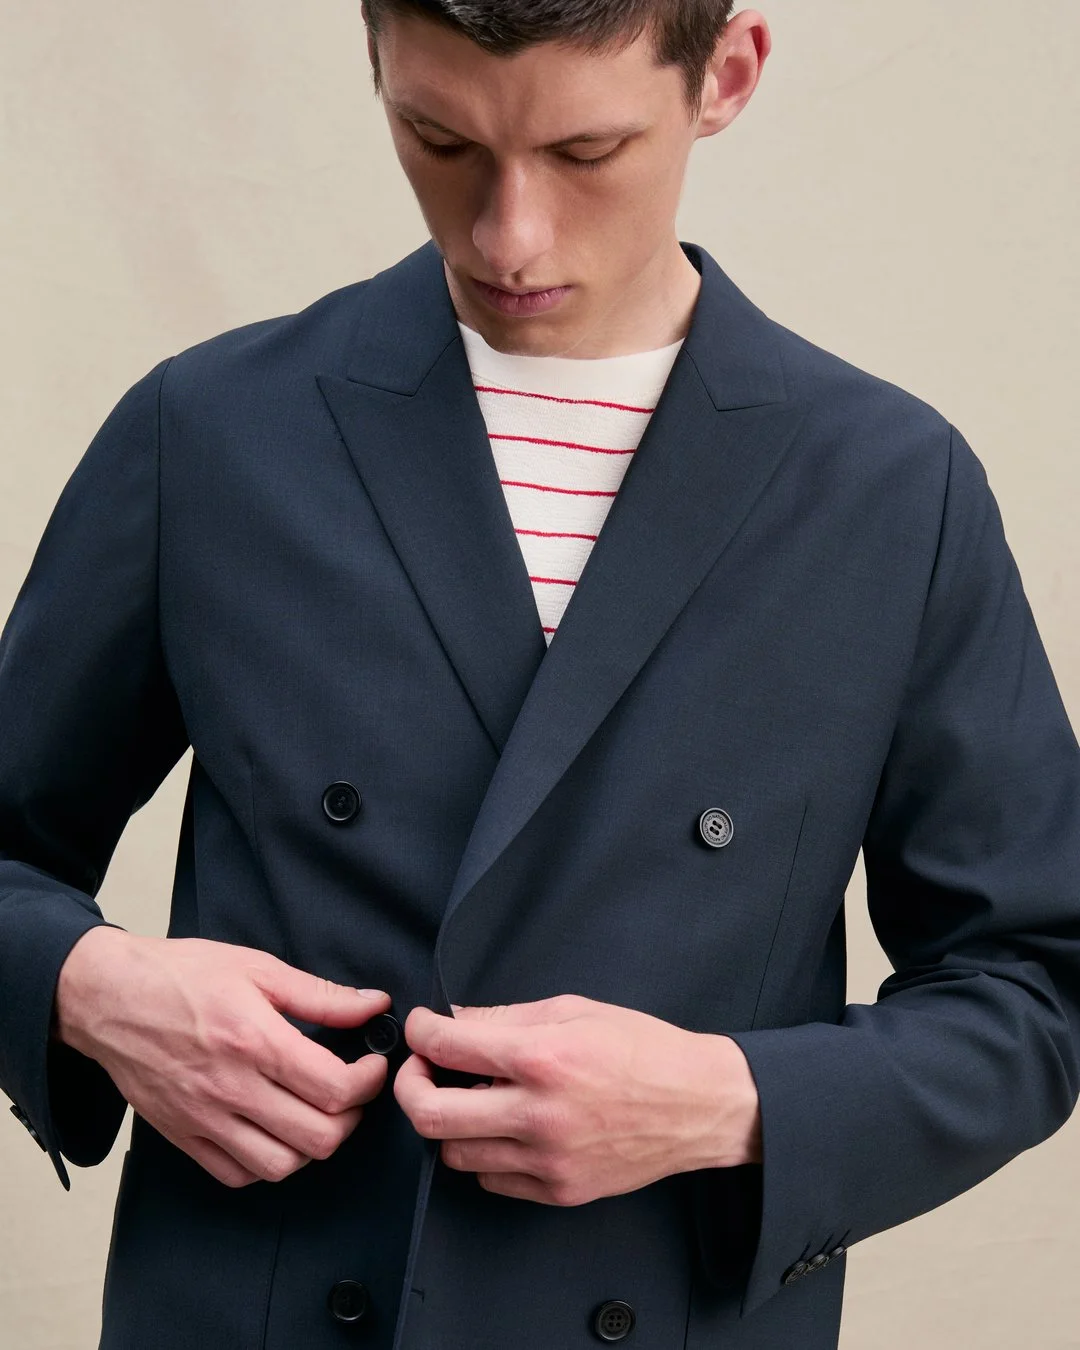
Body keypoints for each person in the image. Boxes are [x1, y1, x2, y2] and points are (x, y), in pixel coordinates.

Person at [1, 3, 1078, 1348]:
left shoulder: (890, 492)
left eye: (586, 152)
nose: (507, 237)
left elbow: (1034, 983)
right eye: (440, 139)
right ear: (378, 61)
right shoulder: (210, 433)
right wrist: (89, 988)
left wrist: (729, 1102)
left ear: (727, 74)